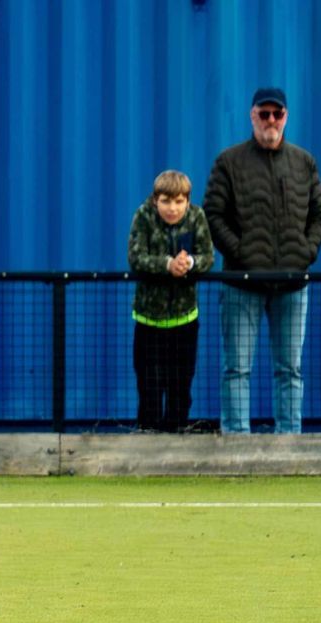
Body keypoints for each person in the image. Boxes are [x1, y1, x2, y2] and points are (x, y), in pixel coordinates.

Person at [204, 88, 321, 434]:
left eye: (277, 114)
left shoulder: (304, 162)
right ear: (252, 116)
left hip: (292, 285)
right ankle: (236, 443)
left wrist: (305, 253)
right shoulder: (229, 162)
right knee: (237, 369)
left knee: (290, 369)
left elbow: (320, 214)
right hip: (241, 284)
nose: (271, 120)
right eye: (264, 114)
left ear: (286, 117)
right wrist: (243, 254)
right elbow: (213, 214)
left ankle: (288, 444)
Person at [127, 169, 214, 432]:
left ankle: (177, 440)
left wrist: (191, 263)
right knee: (149, 388)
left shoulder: (197, 217)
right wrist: (167, 265)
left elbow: (208, 256)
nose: (172, 208)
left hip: (185, 322)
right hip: (148, 322)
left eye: (179, 201)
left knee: (180, 387)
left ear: (187, 201)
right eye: (166, 201)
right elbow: (136, 258)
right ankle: (148, 440)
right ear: (156, 200)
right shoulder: (143, 216)